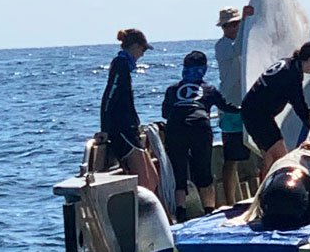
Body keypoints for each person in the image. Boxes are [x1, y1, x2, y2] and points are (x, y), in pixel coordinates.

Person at [162, 50, 240, 222]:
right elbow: (226, 106)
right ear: (203, 69)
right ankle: (209, 211)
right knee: (203, 171)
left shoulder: (172, 89)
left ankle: (181, 212)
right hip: (200, 127)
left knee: (179, 171)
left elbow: (165, 113)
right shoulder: (209, 89)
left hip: (176, 128)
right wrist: (245, 109)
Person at [241, 41, 310, 176]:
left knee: (269, 157)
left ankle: (263, 192)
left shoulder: (288, 63)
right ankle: (270, 192)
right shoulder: (292, 75)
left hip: (254, 112)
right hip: (258, 115)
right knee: (280, 159)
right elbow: (300, 108)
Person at [97, 28, 159, 192]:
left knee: (153, 179)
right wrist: (105, 129)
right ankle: (141, 215)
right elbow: (109, 96)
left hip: (131, 128)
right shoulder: (120, 64)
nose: (143, 54)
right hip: (122, 130)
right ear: (135, 46)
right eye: (143, 49)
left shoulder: (125, 66)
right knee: (144, 182)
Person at [213, 5, 255, 205]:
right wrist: (247, 20)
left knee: (259, 150)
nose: (233, 28)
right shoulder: (222, 46)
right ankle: (229, 201)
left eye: (236, 24)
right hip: (230, 105)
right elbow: (237, 49)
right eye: (228, 25)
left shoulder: (246, 43)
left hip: (248, 103)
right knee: (231, 157)